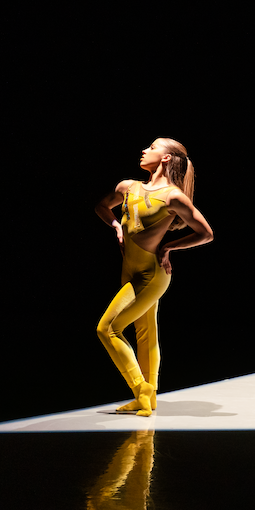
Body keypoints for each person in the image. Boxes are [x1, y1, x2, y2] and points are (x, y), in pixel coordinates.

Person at [94, 137, 214, 416]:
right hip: (129, 269)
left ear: (166, 158)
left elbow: (206, 233)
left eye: (152, 147)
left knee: (107, 329)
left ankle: (141, 388)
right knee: (145, 332)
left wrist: (171, 246)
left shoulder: (173, 196)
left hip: (151, 274)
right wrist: (116, 226)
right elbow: (102, 206)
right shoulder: (127, 187)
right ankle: (148, 398)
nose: (144, 150)